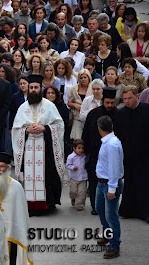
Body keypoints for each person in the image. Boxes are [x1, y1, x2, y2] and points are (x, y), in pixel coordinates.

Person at [12, 75, 66, 212]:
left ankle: (47, 205)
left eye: (36, 87)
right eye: (31, 88)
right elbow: (16, 129)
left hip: (45, 147)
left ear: (41, 88)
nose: (34, 90)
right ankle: (29, 205)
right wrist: (26, 130)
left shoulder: (49, 106)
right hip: (28, 146)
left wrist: (46, 128)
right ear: (28, 89)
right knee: (29, 176)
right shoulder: (22, 108)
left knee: (46, 175)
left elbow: (60, 125)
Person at [0, 153, 31, 265]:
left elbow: (20, 212)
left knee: (11, 259)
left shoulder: (16, 187)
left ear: (8, 168)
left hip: (11, 232)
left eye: (1, 166)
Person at [114, 86, 149, 223]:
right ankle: (128, 210)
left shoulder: (147, 110)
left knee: (144, 184)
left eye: (130, 98)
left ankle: (144, 211)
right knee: (129, 183)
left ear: (137, 96)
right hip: (128, 155)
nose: (127, 101)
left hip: (145, 155)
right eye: (125, 99)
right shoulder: (121, 114)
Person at [82, 87, 118, 215]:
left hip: (112, 154)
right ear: (103, 101)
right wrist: (86, 151)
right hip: (95, 153)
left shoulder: (118, 114)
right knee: (94, 181)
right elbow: (86, 132)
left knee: (112, 179)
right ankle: (95, 206)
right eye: (107, 102)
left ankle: (110, 206)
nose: (110, 105)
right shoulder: (93, 114)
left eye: (112, 103)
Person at [95, 115, 124, 259]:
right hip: (101, 183)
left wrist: (112, 189)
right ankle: (107, 234)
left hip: (109, 184)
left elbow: (114, 168)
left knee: (111, 216)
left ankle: (114, 245)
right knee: (100, 209)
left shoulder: (112, 144)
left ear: (99, 129)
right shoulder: (107, 141)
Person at [68, 69, 93, 139]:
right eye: (81, 78)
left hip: (89, 118)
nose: (83, 79)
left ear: (89, 78)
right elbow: (69, 103)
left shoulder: (93, 88)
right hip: (77, 117)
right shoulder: (73, 89)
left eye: (85, 77)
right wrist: (75, 105)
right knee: (77, 139)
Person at [66, 139, 88, 211]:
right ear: (74, 148)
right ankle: (73, 198)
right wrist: (72, 167)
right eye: (79, 148)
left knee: (82, 192)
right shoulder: (71, 157)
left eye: (82, 148)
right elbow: (67, 165)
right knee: (74, 192)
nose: (81, 150)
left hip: (83, 177)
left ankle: (79, 205)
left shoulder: (84, 156)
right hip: (74, 178)